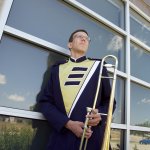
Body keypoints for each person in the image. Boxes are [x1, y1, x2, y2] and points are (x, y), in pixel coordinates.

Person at [39, 29, 116, 150]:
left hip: (92, 138)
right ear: (70, 44)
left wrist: (99, 115)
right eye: (79, 36)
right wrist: (67, 123)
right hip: (61, 138)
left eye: (87, 38)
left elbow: (110, 101)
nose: (84, 39)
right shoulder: (57, 69)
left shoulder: (99, 66)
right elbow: (45, 102)